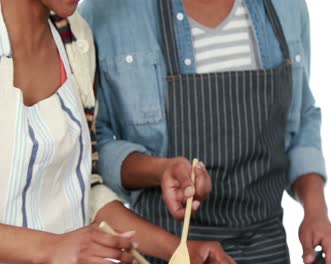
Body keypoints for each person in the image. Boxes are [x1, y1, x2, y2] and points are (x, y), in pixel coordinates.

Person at [79, 0, 331, 263]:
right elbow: (90, 147)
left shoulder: (286, 7)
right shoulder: (104, 14)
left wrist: (315, 211)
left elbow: (301, 119)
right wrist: (159, 170)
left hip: (267, 248)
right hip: (165, 252)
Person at [0, 0, 234, 263]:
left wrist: (178, 249)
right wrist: (50, 248)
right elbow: (60, 247)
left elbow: (82, 189)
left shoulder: (76, 39)